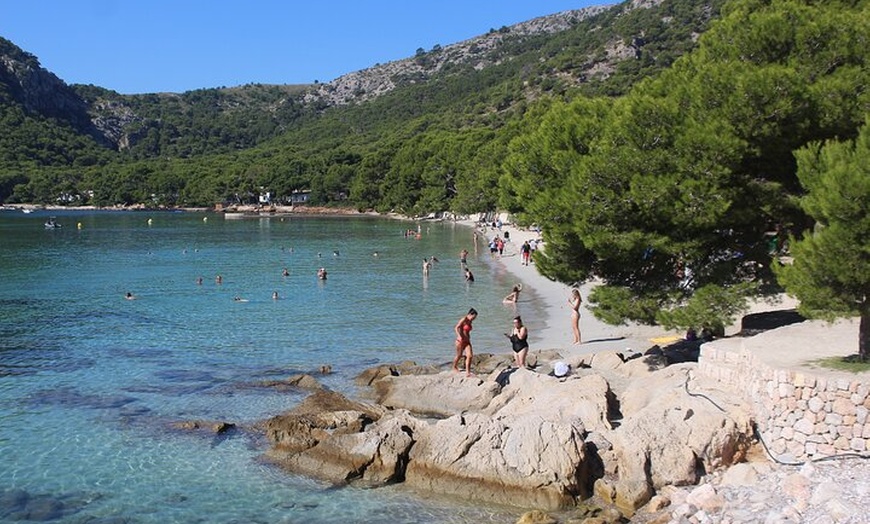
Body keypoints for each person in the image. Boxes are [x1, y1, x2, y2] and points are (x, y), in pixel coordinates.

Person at [454, 308, 477, 376]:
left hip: (467, 341)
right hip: (460, 341)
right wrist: (459, 336)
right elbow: (456, 327)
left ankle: (468, 372)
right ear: (470, 314)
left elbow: (467, 331)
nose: (474, 319)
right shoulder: (463, 319)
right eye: (473, 317)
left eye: (475, 318)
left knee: (470, 356)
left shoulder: (470, 321)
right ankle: (454, 367)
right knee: (459, 355)